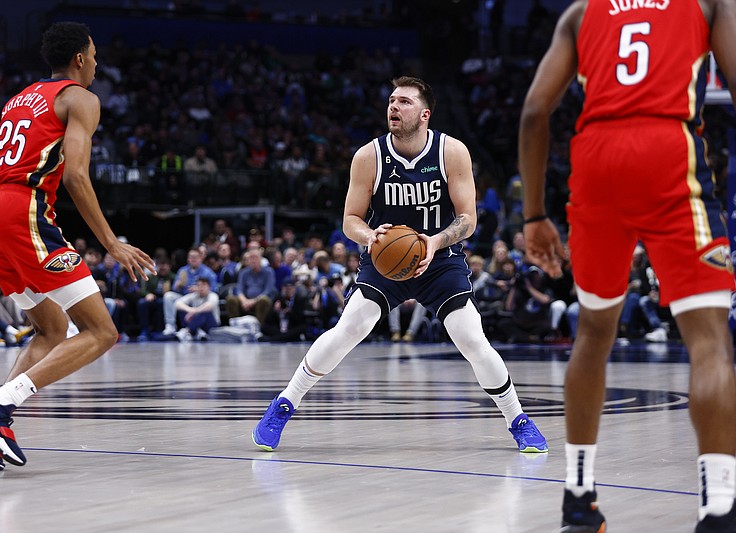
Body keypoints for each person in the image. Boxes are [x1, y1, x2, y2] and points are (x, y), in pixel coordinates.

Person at [518, 1, 736, 530]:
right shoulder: (709, 3)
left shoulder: (580, 12)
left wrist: (534, 216)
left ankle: (578, 497)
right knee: (708, 340)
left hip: (597, 161)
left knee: (593, 330)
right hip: (668, 150)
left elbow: (533, 113)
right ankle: (719, 509)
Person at [252, 76, 547, 454]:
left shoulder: (451, 151)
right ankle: (283, 406)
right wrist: (370, 236)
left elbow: (468, 219)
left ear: (424, 114)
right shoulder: (369, 156)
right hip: (386, 259)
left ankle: (517, 419)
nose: (394, 106)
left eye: (404, 102)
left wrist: (433, 242)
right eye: (392, 100)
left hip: (439, 259)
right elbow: (350, 221)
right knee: (350, 328)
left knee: (471, 338)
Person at [0, 22, 155, 472]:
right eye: (95, 55)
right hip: (24, 211)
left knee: (50, 330)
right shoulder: (81, 98)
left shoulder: (19, 99)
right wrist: (112, 243)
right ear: (81, 59)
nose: (97, 63)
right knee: (102, 332)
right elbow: (75, 176)